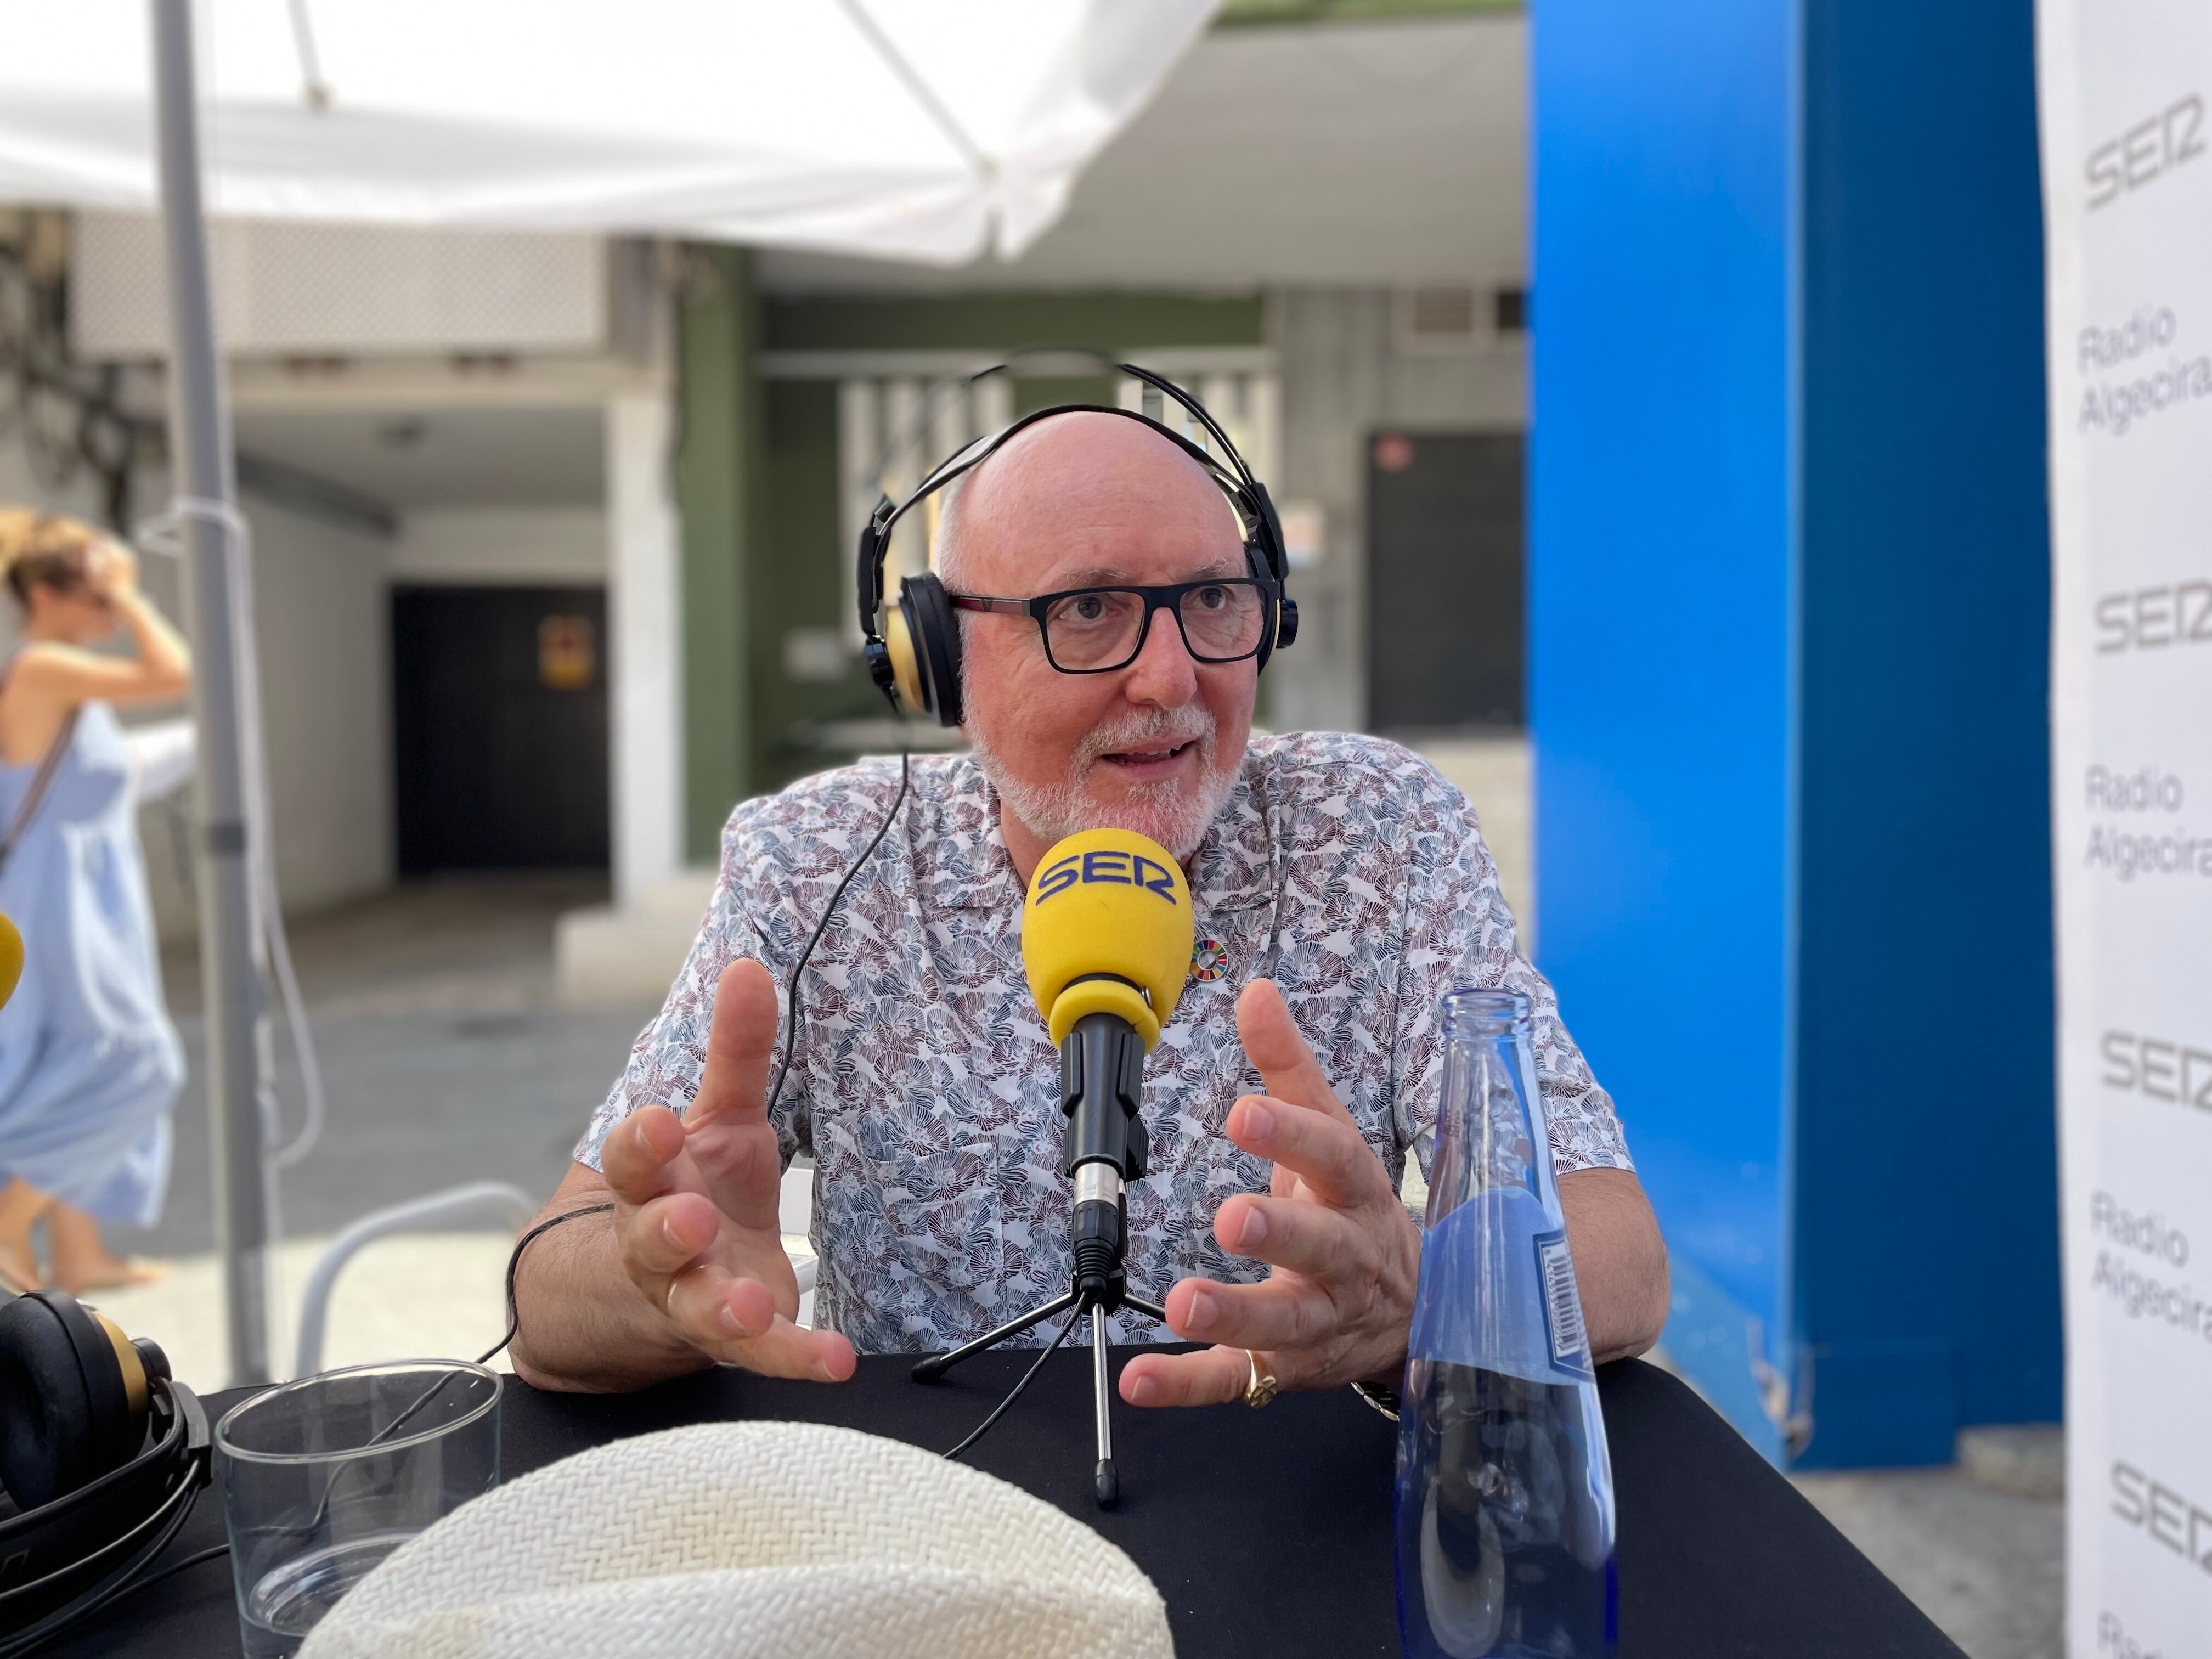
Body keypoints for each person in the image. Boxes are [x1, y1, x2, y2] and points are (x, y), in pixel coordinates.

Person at [511, 412, 1669, 1406]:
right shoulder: (819, 862)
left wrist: (1429, 1290)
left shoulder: (1380, 832)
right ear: (940, 660)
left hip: (1302, 1506)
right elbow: (549, 1299)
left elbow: (1621, 1255)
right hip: (930, 1510)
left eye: (1211, 599)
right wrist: (668, 1281)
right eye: (1090, 610)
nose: (1170, 677)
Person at [0, 510, 191, 1294]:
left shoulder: (68, 676)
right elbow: (176, 673)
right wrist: (137, 597)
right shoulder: (44, 666)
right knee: (135, 1062)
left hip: (82, 897)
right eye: (98, 595)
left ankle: (78, 1255)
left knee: (62, 1062)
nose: (112, 608)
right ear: (45, 596)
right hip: (55, 902)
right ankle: (6, 1227)